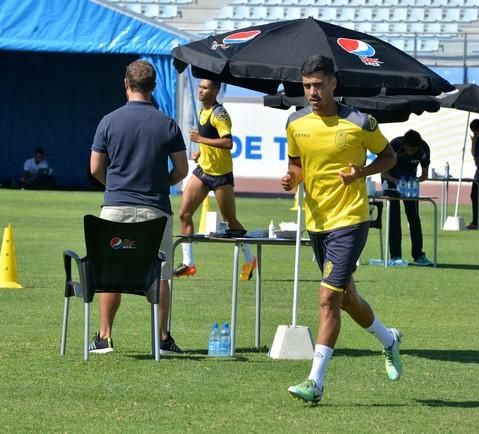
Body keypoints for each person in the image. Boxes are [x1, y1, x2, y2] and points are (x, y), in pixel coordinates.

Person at [281, 54, 403, 404]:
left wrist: (361, 173)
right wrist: (292, 178)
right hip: (317, 221)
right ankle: (389, 340)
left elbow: (389, 156)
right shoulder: (295, 123)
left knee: (327, 299)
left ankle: (315, 383)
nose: (312, 92)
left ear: (334, 83)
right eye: (306, 87)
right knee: (346, 298)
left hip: (350, 220)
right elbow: (296, 164)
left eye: (318, 85)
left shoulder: (360, 122)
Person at [89, 60, 189, 354]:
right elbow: (182, 170)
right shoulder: (167, 123)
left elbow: (95, 167)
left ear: (126, 84)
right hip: (155, 209)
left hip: (116, 207)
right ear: (154, 87)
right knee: (160, 274)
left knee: (111, 273)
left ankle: (104, 337)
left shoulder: (108, 120)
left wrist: (115, 186)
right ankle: (162, 338)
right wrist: (159, 184)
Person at [174, 79, 257, 280]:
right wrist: (200, 153)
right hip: (204, 171)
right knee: (184, 214)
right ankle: (188, 263)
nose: (201, 91)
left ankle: (249, 257)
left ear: (216, 90)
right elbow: (209, 143)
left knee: (230, 222)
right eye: (200, 87)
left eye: (205, 88)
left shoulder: (220, 114)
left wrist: (201, 140)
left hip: (221, 176)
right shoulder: (202, 111)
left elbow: (228, 143)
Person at [380, 130, 433, 266]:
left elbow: (424, 175)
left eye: (413, 150)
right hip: (391, 180)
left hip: (409, 181)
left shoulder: (424, 149)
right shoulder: (395, 146)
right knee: (394, 218)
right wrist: (396, 182)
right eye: (408, 149)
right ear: (404, 145)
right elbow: (384, 172)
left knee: (414, 217)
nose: (410, 153)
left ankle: (418, 255)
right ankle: (395, 256)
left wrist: (413, 182)